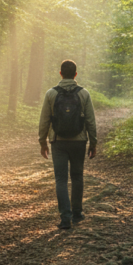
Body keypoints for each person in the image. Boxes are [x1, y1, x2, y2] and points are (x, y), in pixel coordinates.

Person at [39, 59, 97, 230]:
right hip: (79, 141)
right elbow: (90, 121)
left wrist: (43, 142)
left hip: (58, 142)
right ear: (76, 74)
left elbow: (44, 120)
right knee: (77, 176)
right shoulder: (84, 94)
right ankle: (77, 213)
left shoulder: (51, 94)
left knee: (61, 179)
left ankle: (65, 218)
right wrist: (93, 142)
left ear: (60, 73)